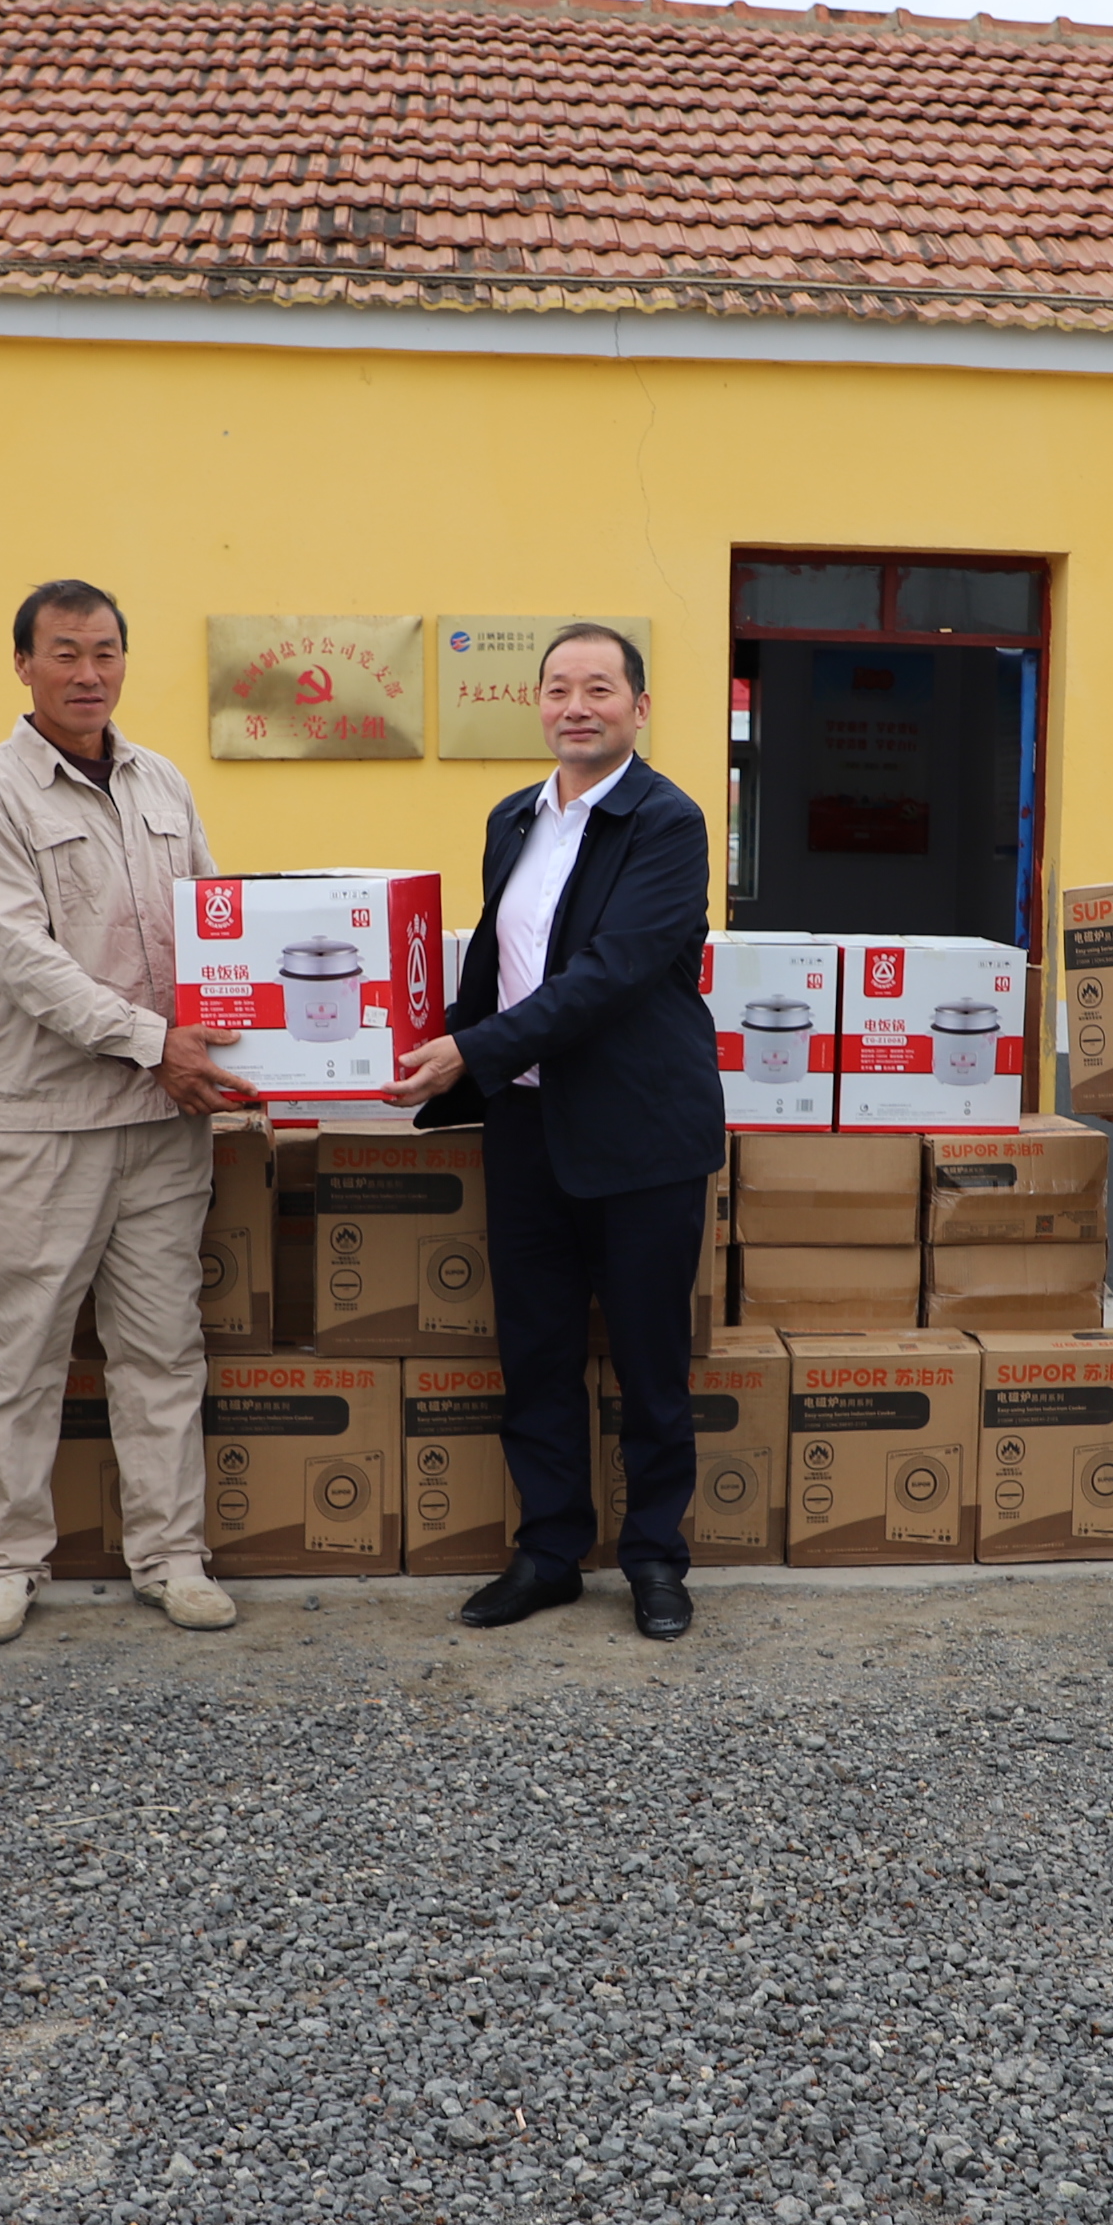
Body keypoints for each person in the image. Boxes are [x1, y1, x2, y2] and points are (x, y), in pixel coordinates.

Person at [388, 622, 726, 1640]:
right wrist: (427, 1052)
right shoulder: (513, 818)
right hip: (527, 1124)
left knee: (649, 1362)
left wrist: (468, 1050)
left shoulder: (666, 821)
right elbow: (497, 965)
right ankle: (548, 1552)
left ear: (639, 708)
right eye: (557, 688)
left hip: (639, 1133)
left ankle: (655, 1558)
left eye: (599, 688)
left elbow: (608, 975)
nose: (576, 706)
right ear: (536, 704)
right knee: (535, 1355)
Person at [0, 577, 250, 1644]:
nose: (87, 672)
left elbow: (214, 920)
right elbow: (25, 961)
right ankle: (5, 1561)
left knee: (162, 1346)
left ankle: (170, 1555)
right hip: (43, 1121)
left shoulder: (161, 780)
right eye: (64, 652)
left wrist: (249, 1035)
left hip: (163, 1122)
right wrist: (157, 1042)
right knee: (19, 1350)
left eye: (105, 651)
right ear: (22, 663)